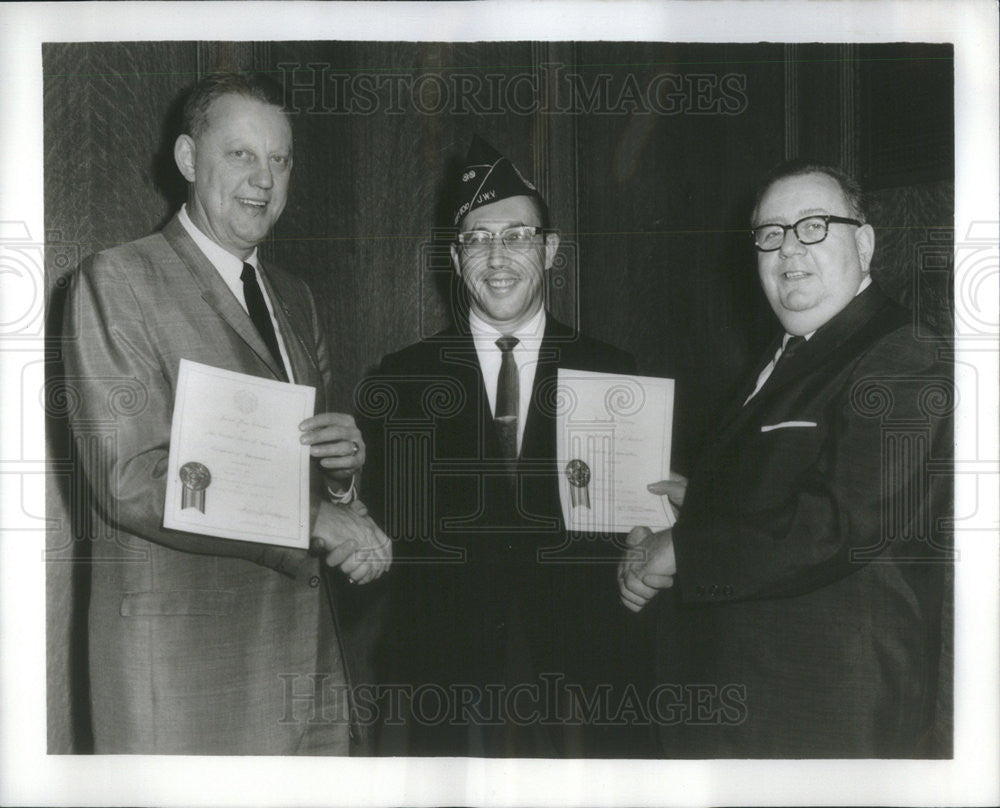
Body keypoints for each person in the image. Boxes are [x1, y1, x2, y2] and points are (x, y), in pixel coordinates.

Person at [61, 72, 390, 755]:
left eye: (280, 159)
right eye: (240, 154)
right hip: (185, 675)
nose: (264, 179)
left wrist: (340, 481)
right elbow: (131, 479)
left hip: (308, 669)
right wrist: (313, 521)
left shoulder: (294, 298)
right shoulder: (117, 279)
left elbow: (303, 473)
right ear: (187, 159)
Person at [618, 160, 951, 757]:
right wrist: (704, 501)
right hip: (757, 706)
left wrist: (685, 552)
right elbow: (797, 478)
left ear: (865, 243)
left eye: (813, 226)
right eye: (770, 233)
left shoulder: (903, 353)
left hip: (829, 715)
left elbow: (844, 523)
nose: (789, 248)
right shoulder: (785, 353)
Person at [358, 136, 638, 757]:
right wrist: (340, 486)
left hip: (583, 691)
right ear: (456, 260)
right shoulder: (402, 380)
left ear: (550, 249)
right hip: (444, 689)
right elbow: (375, 525)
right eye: (478, 240)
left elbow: (642, 528)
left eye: (516, 237)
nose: (497, 257)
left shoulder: (616, 377)